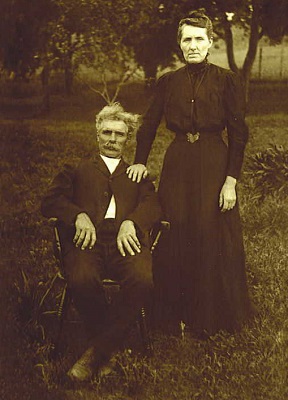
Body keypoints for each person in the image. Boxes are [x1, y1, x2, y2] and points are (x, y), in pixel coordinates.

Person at [127, 11, 254, 337]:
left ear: (210, 42)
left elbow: (239, 134)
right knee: (175, 232)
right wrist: (140, 160)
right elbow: (149, 124)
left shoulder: (227, 80)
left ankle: (212, 318)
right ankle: (172, 316)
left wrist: (230, 181)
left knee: (210, 232)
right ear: (180, 44)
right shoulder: (169, 82)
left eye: (199, 38)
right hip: (179, 163)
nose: (193, 45)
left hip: (214, 160)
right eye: (187, 39)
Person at [41, 103, 161, 382]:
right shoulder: (76, 169)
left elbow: (154, 205)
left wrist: (132, 222)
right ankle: (108, 354)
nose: (112, 140)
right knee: (81, 278)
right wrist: (78, 215)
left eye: (119, 135)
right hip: (86, 243)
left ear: (127, 139)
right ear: (97, 135)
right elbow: (50, 201)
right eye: (106, 132)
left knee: (142, 279)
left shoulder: (136, 174)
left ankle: (95, 354)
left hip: (125, 243)